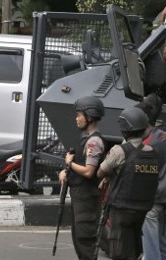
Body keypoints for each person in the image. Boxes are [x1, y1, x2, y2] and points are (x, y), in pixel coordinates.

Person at [97, 106, 160, 260]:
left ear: (124, 128)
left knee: (120, 251)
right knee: (135, 248)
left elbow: (100, 172)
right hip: (142, 209)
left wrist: (109, 176)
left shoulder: (119, 151)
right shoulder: (152, 152)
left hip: (121, 208)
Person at [59, 96, 106, 260]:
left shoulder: (94, 142)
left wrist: (69, 164)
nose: (76, 118)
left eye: (79, 114)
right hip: (80, 196)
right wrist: (66, 171)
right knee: (79, 237)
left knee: (85, 239)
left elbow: (88, 171)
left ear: (90, 117)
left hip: (87, 199)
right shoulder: (85, 139)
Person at [138, 94, 166, 260]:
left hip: (153, 199)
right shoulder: (165, 135)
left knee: (152, 248)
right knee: (164, 245)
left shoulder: (151, 142)